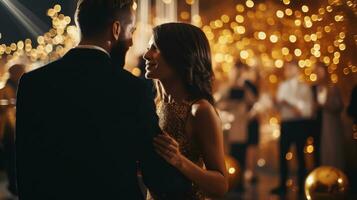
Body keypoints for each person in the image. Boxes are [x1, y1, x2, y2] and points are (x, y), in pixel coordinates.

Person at [15, 1, 190, 199]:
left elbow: (25, 165)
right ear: (115, 29)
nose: (131, 42)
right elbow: (157, 174)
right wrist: (187, 174)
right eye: (131, 31)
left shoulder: (33, 83)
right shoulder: (133, 88)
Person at [143, 23, 228, 200]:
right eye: (148, 48)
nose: (146, 55)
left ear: (179, 56)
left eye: (155, 49)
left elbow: (221, 186)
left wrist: (179, 160)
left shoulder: (200, 110)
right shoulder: (156, 104)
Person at [271, 62, 313, 195]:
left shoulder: (305, 87)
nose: (287, 70)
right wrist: (276, 103)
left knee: (300, 155)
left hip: (300, 124)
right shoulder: (282, 86)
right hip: (286, 123)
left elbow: (308, 108)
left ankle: (302, 186)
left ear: (297, 70)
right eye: (286, 68)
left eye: (291, 68)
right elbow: (278, 107)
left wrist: (296, 107)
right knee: (283, 154)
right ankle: (282, 185)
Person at [315, 63, 344, 169]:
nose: (318, 74)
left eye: (320, 71)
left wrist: (325, 105)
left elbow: (338, 105)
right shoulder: (314, 88)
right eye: (317, 71)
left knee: (332, 150)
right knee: (320, 151)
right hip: (317, 124)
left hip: (330, 123)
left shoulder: (332, 87)